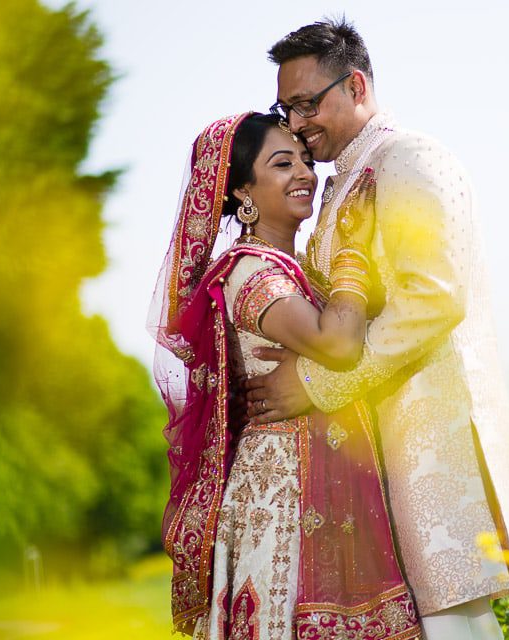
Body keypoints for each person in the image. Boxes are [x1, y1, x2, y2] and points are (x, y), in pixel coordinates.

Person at [245, 18, 509, 639]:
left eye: (308, 104)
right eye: (287, 107)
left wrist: (319, 386)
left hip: (434, 454)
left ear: (356, 86)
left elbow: (433, 298)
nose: (298, 124)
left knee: (455, 629)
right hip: (374, 460)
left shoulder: (409, 159)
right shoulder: (344, 182)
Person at [149, 112, 422, 640]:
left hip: (321, 480)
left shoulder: (294, 270)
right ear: (243, 193)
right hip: (283, 493)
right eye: (281, 163)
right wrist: (352, 253)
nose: (305, 173)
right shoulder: (251, 270)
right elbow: (339, 345)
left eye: (303, 159)